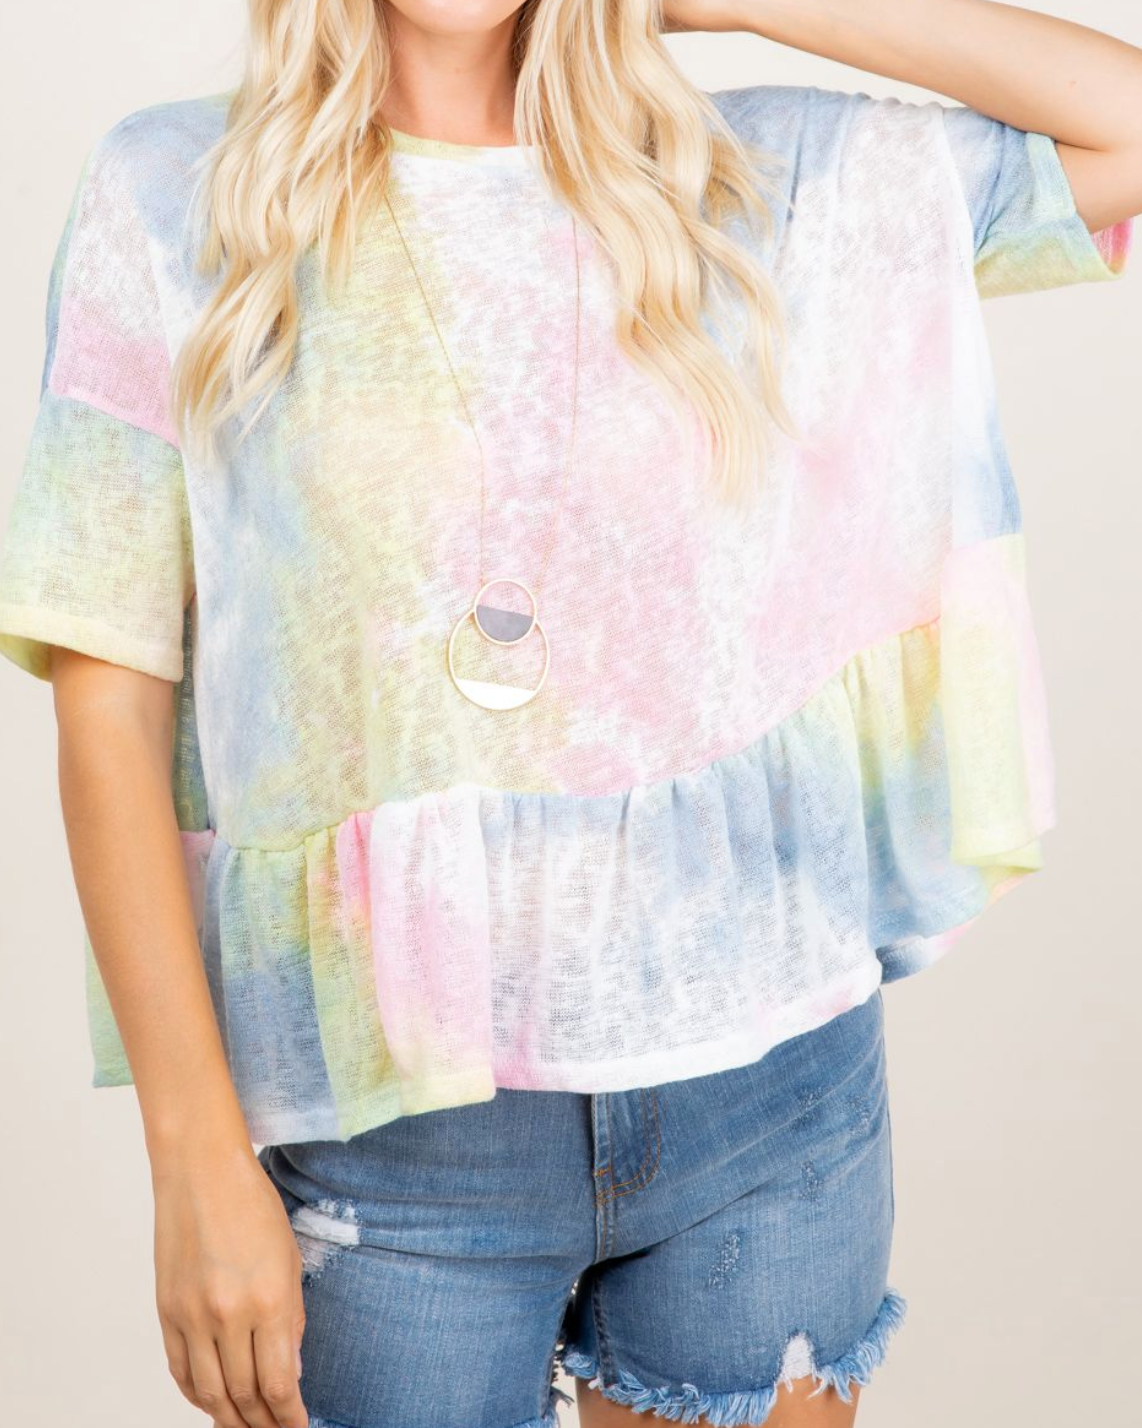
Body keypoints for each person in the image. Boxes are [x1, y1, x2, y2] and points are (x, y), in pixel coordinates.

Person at [0, 1, 1137, 1425]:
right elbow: (108, 704)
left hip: (770, 1105)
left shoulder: (752, 185)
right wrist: (191, 1160)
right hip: (395, 1153)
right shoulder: (176, 196)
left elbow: (1126, 122)